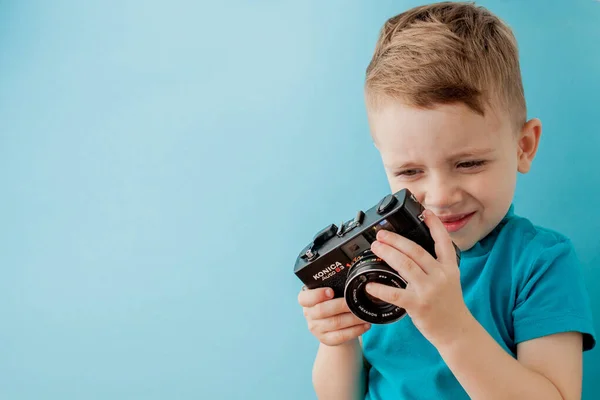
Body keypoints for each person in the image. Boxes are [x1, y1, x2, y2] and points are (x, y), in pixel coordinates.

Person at [297, 2, 596, 399]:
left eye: (469, 163)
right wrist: (337, 341)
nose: (439, 197)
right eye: (409, 172)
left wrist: (451, 328)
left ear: (523, 147)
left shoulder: (539, 263)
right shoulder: (381, 258)